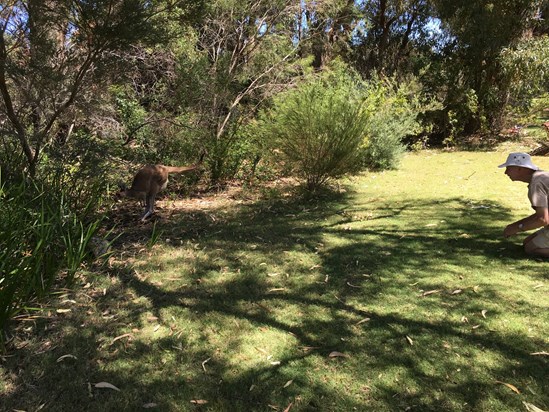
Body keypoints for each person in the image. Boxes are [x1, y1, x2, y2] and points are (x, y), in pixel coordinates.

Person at [499, 152, 549, 257]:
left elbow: (543, 219)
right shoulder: (541, 177)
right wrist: (514, 226)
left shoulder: (536, 183)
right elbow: (542, 214)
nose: (506, 172)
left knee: (530, 248)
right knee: (527, 242)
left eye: (509, 168)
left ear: (519, 168)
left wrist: (518, 228)